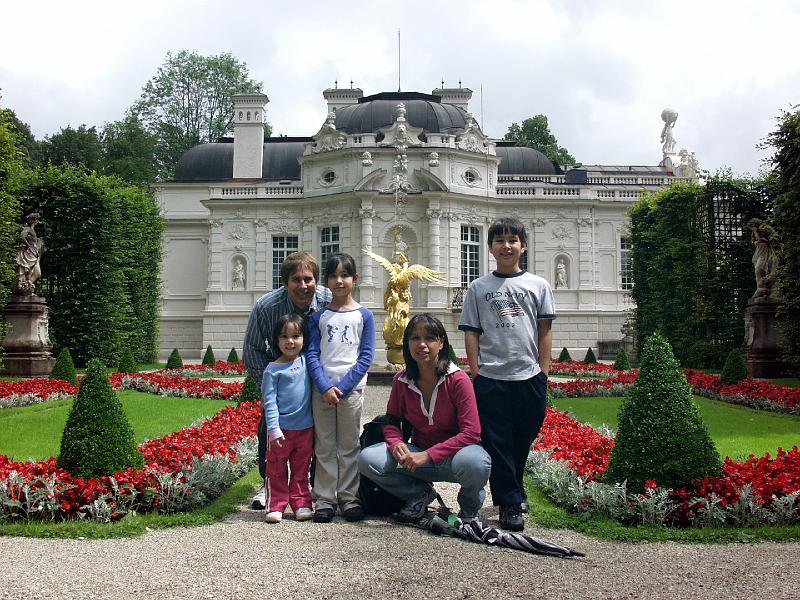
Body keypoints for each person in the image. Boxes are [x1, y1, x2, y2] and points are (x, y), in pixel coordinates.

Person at [458, 217, 555, 531]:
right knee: (498, 442)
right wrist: (476, 371)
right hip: (493, 377)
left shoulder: (538, 285)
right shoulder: (478, 287)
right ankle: (509, 503)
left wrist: (544, 371)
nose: (506, 246)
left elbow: (544, 330)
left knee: (522, 438)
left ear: (523, 246)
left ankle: (516, 487)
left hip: (529, 377)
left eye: (513, 240)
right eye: (499, 241)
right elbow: (471, 332)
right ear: (490, 248)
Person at [358, 314, 491, 522]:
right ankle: (419, 494)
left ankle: (469, 508)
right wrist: (396, 444)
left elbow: (471, 433)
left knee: (477, 463)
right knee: (367, 459)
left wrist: (428, 455)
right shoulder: (402, 380)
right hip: (418, 457)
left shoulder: (457, 380)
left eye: (429, 338)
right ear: (407, 344)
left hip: (455, 457)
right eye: (415, 338)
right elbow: (391, 421)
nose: (422, 344)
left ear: (441, 342)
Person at [243, 251, 332, 510]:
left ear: (316, 280)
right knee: (270, 428)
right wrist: (271, 385)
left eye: (309, 279)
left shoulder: (328, 300)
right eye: (296, 280)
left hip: (318, 378)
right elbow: (253, 350)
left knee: (316, 432)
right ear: (285, 282)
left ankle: (312, 484)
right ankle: (269, 482)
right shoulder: (267, 307)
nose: (303, 286)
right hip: (281, 376)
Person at [306, 253, 376, 523]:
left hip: (351, 391)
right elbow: (312, 354)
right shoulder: (318, 317)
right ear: (327, 281)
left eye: (345, 275)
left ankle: (348, 498)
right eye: (334, 275)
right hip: (322, 390)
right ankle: (324, 499)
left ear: (354, 279)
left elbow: (366, 356)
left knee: (348, 446)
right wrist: (324, 385)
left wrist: (343, 387)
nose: (339, 280)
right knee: (324, 445)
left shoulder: (364, 316)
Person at [261, 314, 314, 523]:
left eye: (295, 336)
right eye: (284, 336)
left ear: (303, 339)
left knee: (302, 469)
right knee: (276, 469)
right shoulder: (272, 370)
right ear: (277, 340)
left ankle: (301, 503)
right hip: (280, 431)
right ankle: (276, 505)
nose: (290, 341)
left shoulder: (306, 362)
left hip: (305, 429)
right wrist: (273, 429)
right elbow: (269, 403)